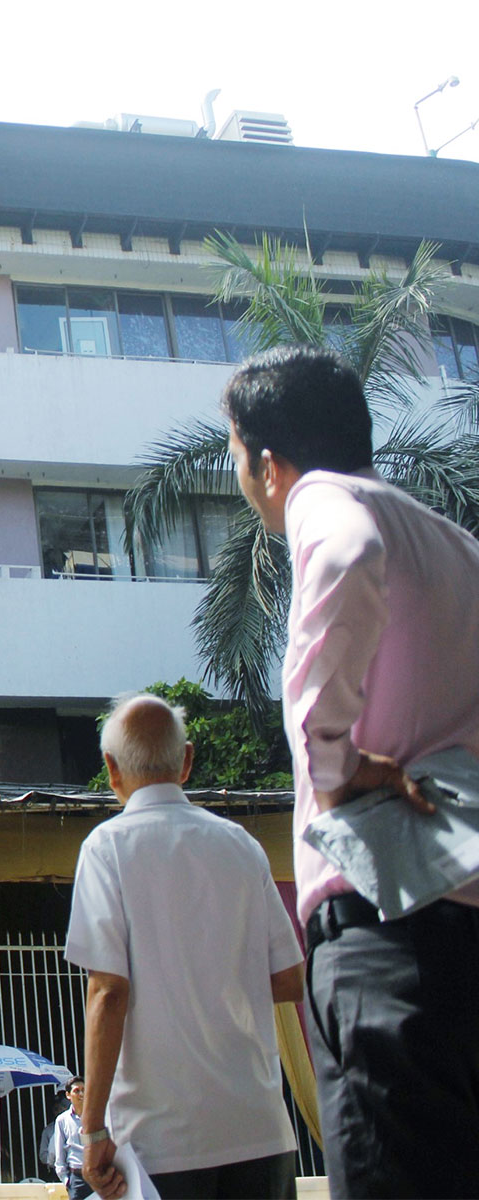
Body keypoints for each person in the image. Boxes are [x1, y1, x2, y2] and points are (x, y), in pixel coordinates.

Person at [223, 343, 479, 1196]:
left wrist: (331, 761)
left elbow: (344, 552)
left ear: (266, 460)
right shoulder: (452, 544)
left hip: (383, 920)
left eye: (236, 455)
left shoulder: (325, 502)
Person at [65, 694, 303, 1200]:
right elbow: (289, 978)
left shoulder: (107, 848)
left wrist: (92, 1132)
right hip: (260, 1130)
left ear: (110, 769)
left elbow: (108, 992)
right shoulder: (242, 845)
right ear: (188, 760)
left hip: (161, 1144)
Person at [50, 1078, 89, 1200]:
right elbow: (59, 1153)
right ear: (68, 1095)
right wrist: (67, 1180)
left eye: (84, 1090)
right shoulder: (62, 1120)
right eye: (77, 1091)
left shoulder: (97, 1116)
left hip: (98, 1174)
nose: (81, 1094)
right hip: (77, 1178)